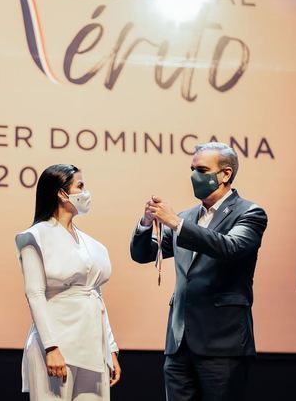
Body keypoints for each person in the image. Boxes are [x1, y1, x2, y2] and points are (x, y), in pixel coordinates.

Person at [130, 142, 268, 401]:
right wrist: (146, 223)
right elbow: (143, 254)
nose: (195, 176)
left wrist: (176, 223)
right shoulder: (187, 216)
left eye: (202, 169)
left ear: (225, 174)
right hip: (179, 342)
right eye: (192, 169)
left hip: (222, 344)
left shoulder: (249, 213)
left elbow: (231, 247)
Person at [15, 164, 121, 401]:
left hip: (93, 344)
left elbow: (96, 296)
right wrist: (51, 347)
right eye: (80, 186)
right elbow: (34, 294)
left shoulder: (91, 244)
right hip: (57, 341)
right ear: (62, 193)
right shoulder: (35, 236)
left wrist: (110, 348)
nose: (85, 193)